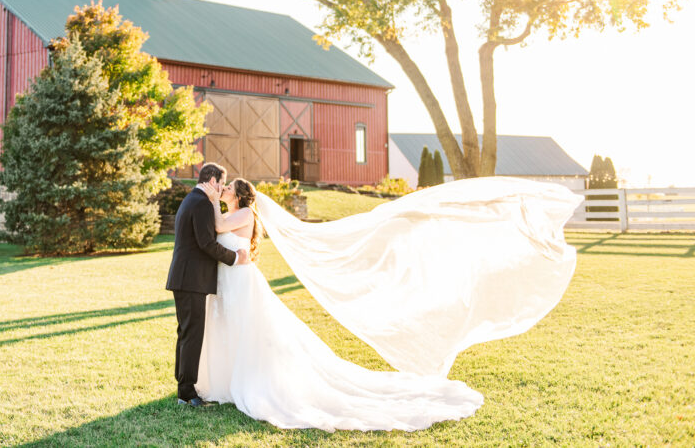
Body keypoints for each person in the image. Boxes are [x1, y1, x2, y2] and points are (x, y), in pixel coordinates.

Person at [190, 176, 581, 432]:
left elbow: (219, 229)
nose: (221, 191)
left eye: (226, 189)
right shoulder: (235, 209)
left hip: (242, 283)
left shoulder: (239, 213)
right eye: (220, 189)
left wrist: (207, 199)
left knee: (251, 331)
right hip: (233, 281)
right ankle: (226, 379)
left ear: (238, 195)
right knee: (234, 329)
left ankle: (251, 381)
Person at [165, 162, 249, 408]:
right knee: (192, 334)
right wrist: (235, 258)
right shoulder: (201, 203)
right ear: (212, 181)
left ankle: (183, 386)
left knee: (186, 333)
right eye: (222, 183)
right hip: (191, 279)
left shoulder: (192, 199)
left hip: (184, 277)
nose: (222, 188)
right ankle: (188, 393)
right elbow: (206, 243)